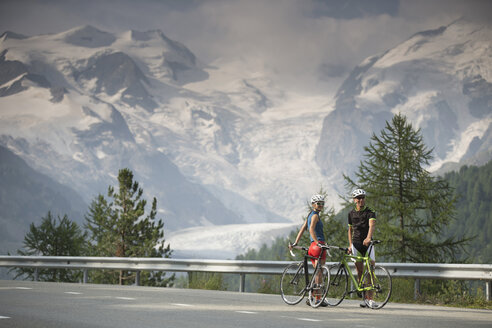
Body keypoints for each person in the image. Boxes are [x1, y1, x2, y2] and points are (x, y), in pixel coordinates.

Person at [290, 194, 328, 307]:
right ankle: (317, 298)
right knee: (319, 273)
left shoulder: (309, 215)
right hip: (318, 246)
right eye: (318, 203)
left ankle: (312, 296)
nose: (321, 205)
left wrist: (295, 243)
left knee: (317, 272)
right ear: (313, 204)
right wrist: (317, 242)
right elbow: (311, 229)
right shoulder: (315, 216)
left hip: (312, 247)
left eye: (322, 203)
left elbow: (303, 229)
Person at [347, 188, 377, 309]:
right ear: (354, 200)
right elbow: (349, 230)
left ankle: (371, 298)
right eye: (358, 198)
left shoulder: (370, 212)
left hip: (367, 244)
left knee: (371, 270)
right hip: (356, 244)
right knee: (360, 271)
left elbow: (372, 225)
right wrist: (350, 244)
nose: (361, 200)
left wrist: (369, 237)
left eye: (363, 197)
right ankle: (365, 298)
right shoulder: (351, 213)